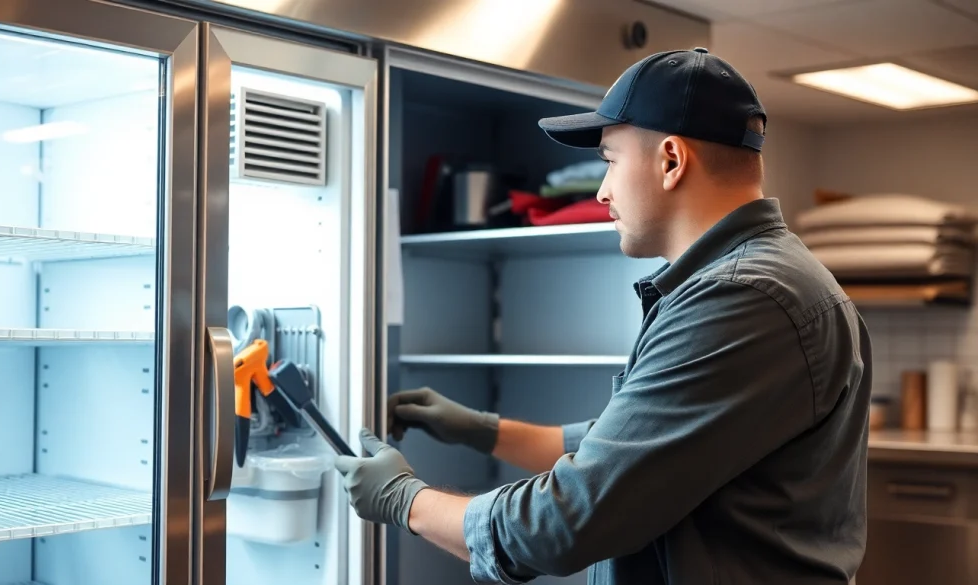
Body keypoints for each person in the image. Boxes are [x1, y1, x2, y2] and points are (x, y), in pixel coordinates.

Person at [334, 47, 872, 585]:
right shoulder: (758, 282)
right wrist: (481, 430)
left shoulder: (742, 298)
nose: (601, 190)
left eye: (610, 160)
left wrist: (407, 501)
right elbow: (638, 446)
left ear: (671, 160)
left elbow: (565, 521)